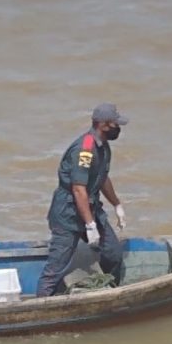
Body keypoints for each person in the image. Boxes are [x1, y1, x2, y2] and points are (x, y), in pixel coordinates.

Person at [36, 102, 129, 297]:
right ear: (102, 125)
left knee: (113, 254)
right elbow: (79, 189)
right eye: (115, 124)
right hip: (68, 215)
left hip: (91, 208)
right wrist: (89, 225)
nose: (118, 129)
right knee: (55, 269)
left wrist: (117, 204)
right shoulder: (85, 150)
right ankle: (39, 305)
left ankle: (110, 292)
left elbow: (102, 178)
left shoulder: (103, 147)